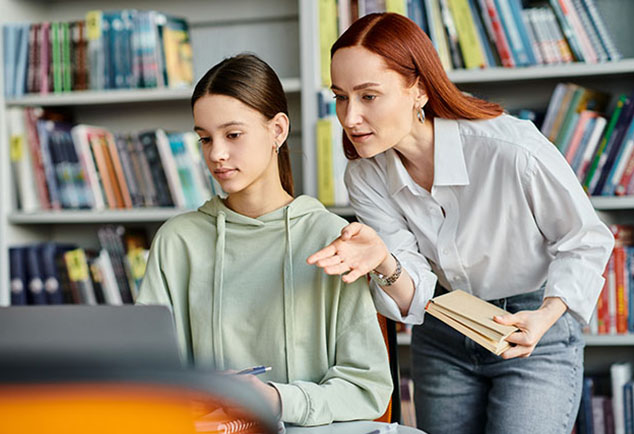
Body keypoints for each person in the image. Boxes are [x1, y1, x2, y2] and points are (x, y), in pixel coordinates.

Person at [307, 12, 614, 434]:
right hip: (443, 329)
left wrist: (545, 317)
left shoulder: (508, 148)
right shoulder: (365, 173)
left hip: (531, 328)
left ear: (418, 89)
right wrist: (382, 258)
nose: (349, 117)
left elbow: (585, 238)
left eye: (369, 96)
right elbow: (412, 291)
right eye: (341, 97)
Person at [136, 53, 392, 426]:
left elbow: (367, 389)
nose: (216, 154)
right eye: (205, 139)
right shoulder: (178, 241)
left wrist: (275, 399)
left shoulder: (331, 239)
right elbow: (148, 380)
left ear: (278, 130)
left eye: (233, 134)